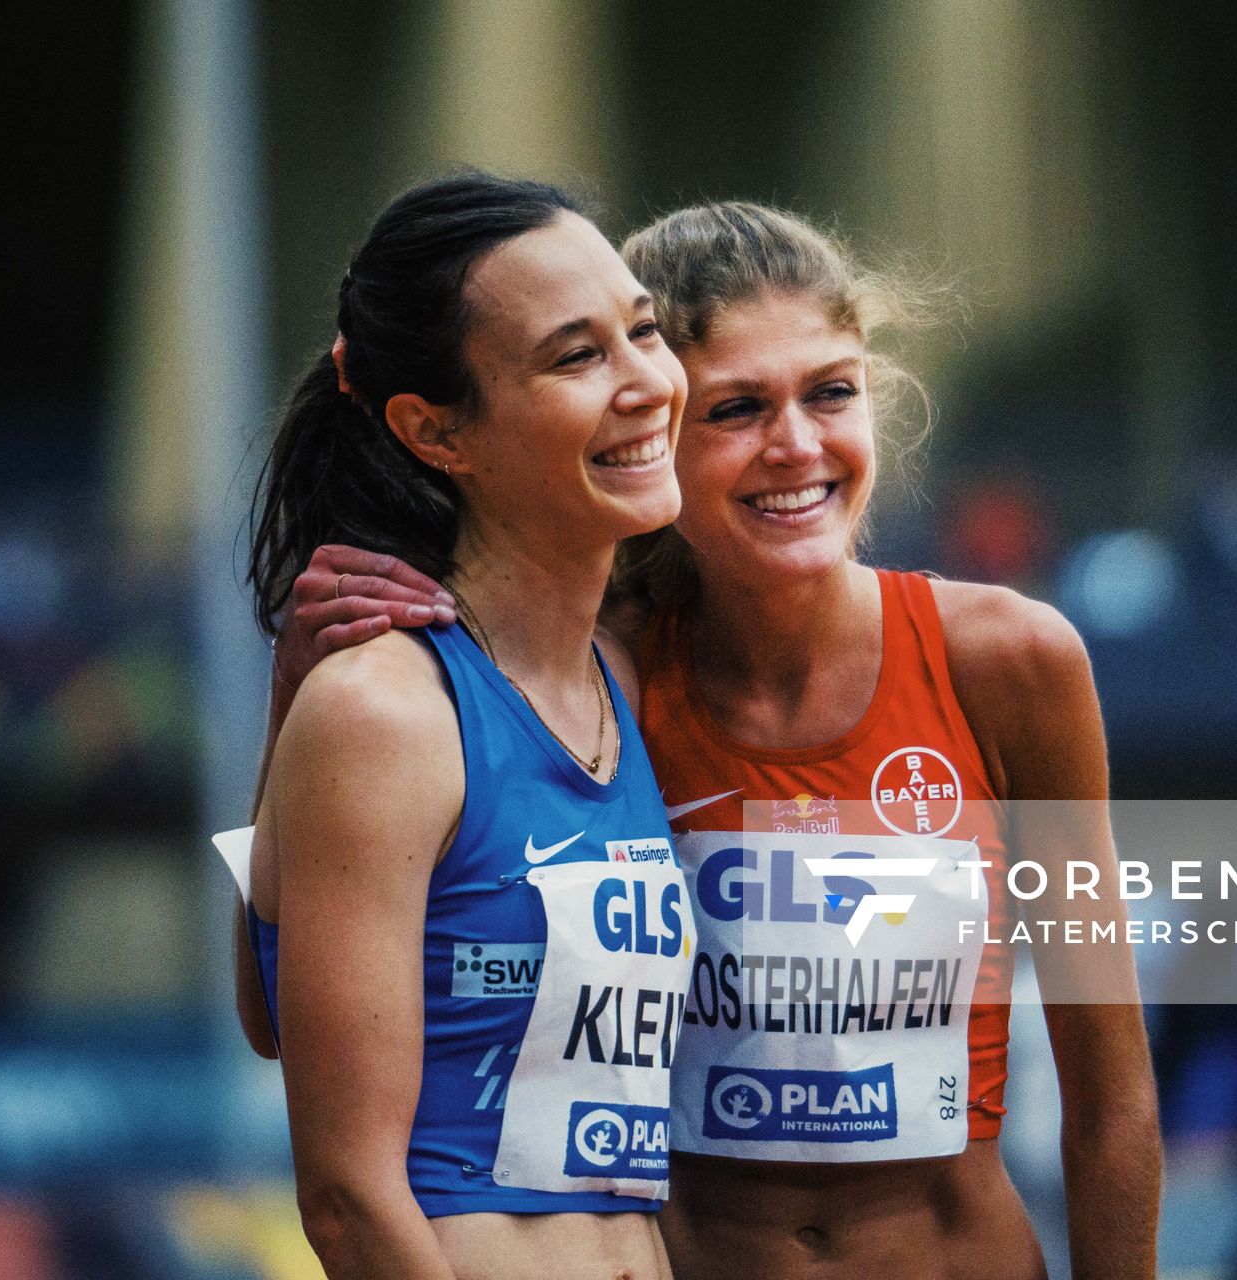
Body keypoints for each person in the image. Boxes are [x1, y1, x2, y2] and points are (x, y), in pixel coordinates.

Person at [273, 201, 1161, 1279]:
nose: (796, 445)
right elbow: (290, 1004)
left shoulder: (1011, 662)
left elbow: (1113, 1104)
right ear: (664, 430)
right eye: (737, 408)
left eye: (831, 391)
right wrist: (299, 704)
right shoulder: (595, 676)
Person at [234, 171, 694, 1280]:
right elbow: (346, 1196)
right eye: (576, 355)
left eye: (642, 330)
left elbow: (271, 997)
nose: (645, 382)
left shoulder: (621, 675)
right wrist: (300, 716)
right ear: (436, 431)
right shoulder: (388, 707)